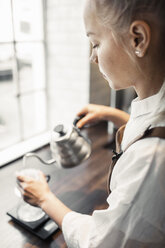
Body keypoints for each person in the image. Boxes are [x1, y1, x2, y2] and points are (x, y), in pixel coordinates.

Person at [17, 0, 165, 247]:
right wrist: (116, 116)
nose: (92, 57)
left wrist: (44, 198)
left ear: (138, 39)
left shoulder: (152, 158)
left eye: (95, 43)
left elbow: (99, 242)